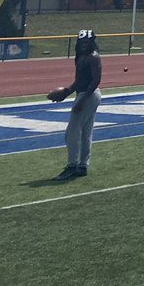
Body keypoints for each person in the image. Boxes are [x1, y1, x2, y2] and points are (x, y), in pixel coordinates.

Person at [47, 29, 103, 181]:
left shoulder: (93, 57)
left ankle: (72, 166)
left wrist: (83, 100)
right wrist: (67, 92)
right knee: (85, 132)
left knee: (72, 132)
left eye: (87, 42)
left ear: (92, 43)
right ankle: (83, 165)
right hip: (83, 94)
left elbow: (95, 80)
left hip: (89, 95)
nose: (84, 45)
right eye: (82, 42)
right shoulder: (80, 57)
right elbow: (79, 80)